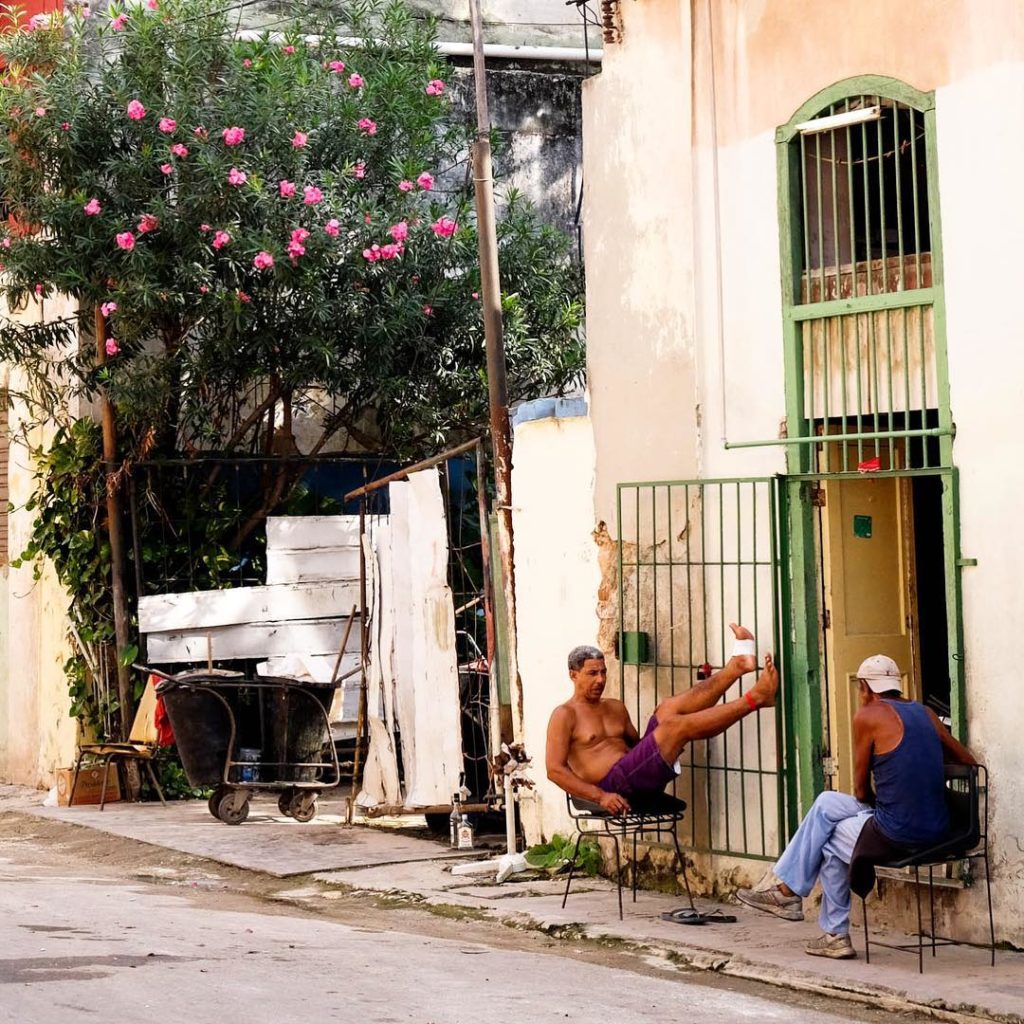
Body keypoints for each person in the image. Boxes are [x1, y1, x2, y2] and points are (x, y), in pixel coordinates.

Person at [735, 654, 976, 959]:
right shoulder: (925, 713)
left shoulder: (869, 715)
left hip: (899, 831)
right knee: (825, 803)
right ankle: (787, 890)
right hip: (938, 824)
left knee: (829, 840)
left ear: (865, 687)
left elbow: (861, 788)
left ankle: (826, 927)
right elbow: (968, 761)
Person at [545, 624, 778, 815]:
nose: (600, 680)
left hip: (637, 777)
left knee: (668, 708)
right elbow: (554, 770)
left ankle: (737, 666)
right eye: (592, 674)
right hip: (612, 788)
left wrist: (665, 746)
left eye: (603, 672)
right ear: (573, 675)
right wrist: (601, 796)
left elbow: (638, 747)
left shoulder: (615, 707)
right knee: (674, 727)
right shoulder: (565, 715)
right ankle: (757, 697)